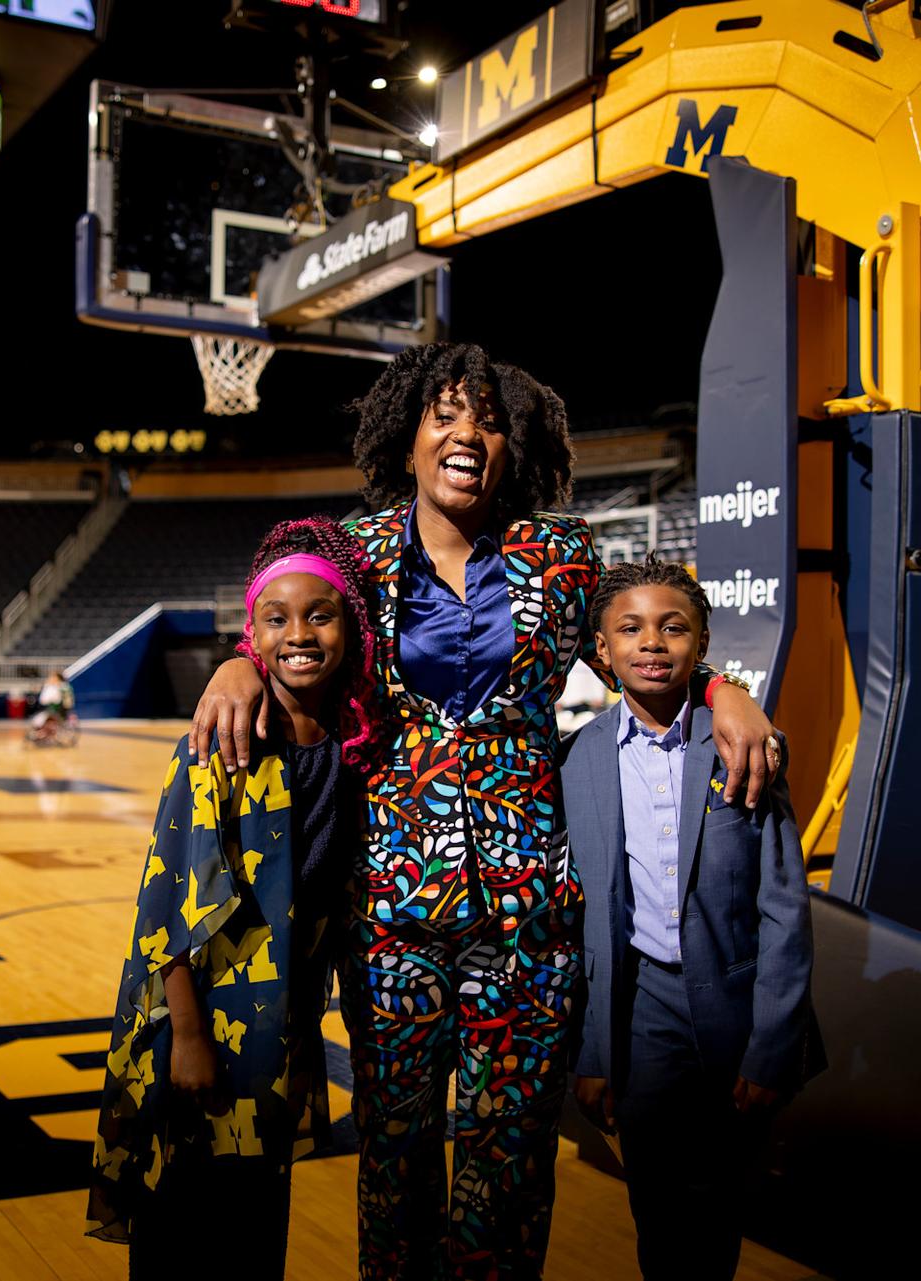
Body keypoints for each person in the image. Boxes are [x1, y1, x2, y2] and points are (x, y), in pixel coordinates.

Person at [188, 342, 780, 1277]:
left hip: (533, 914)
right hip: (388, 913)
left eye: (491, 420)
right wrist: (233, 661)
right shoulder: (360, 554)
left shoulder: (565, 552)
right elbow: (283, 620)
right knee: (396, 1152)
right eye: (448, 415)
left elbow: (643, 650)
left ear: (517, 443)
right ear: (410, 434)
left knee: (510, 1161)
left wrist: (723, 691)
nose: (469, 433)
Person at [89, 518, 375, 1276]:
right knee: (181, 1222)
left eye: (321, 613)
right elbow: (164, 909)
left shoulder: (348, 751)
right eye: (276, 619)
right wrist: (186, 1035)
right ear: (251, 635)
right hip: (202, 1024)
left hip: (277, 1031)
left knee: (252, 1228)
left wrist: (309, 1044)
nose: (300, 633)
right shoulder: (224, 739)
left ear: (352, 623)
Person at [564, 557, 822, 1281]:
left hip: (734, 1010)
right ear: (602, 650)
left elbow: (783, 904)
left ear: (701, 643)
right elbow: (587, 926)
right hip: (641, 1010)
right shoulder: (577, 760)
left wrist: (775, 1047)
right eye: (631, 628)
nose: (653, 641)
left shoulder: (743, 743)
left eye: (673, 626)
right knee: (656, 1201)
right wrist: (592, 1050)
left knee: (716, 1204)